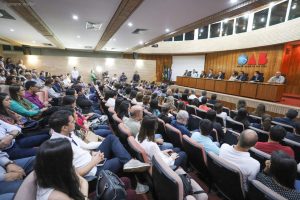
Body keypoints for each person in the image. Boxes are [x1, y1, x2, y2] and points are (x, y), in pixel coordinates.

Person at [49, 110, 150, 176]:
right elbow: (74, 174)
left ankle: (129, 163)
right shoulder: (59, 147)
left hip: (92, 157)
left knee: (111, 138)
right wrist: (94, 161)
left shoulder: (68, 133)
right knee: (121, 159)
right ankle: (133, 173)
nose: (75, 122)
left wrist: (93, 153)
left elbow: (83, 146)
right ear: (64, 127)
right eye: (72, 122)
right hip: (93, 170)